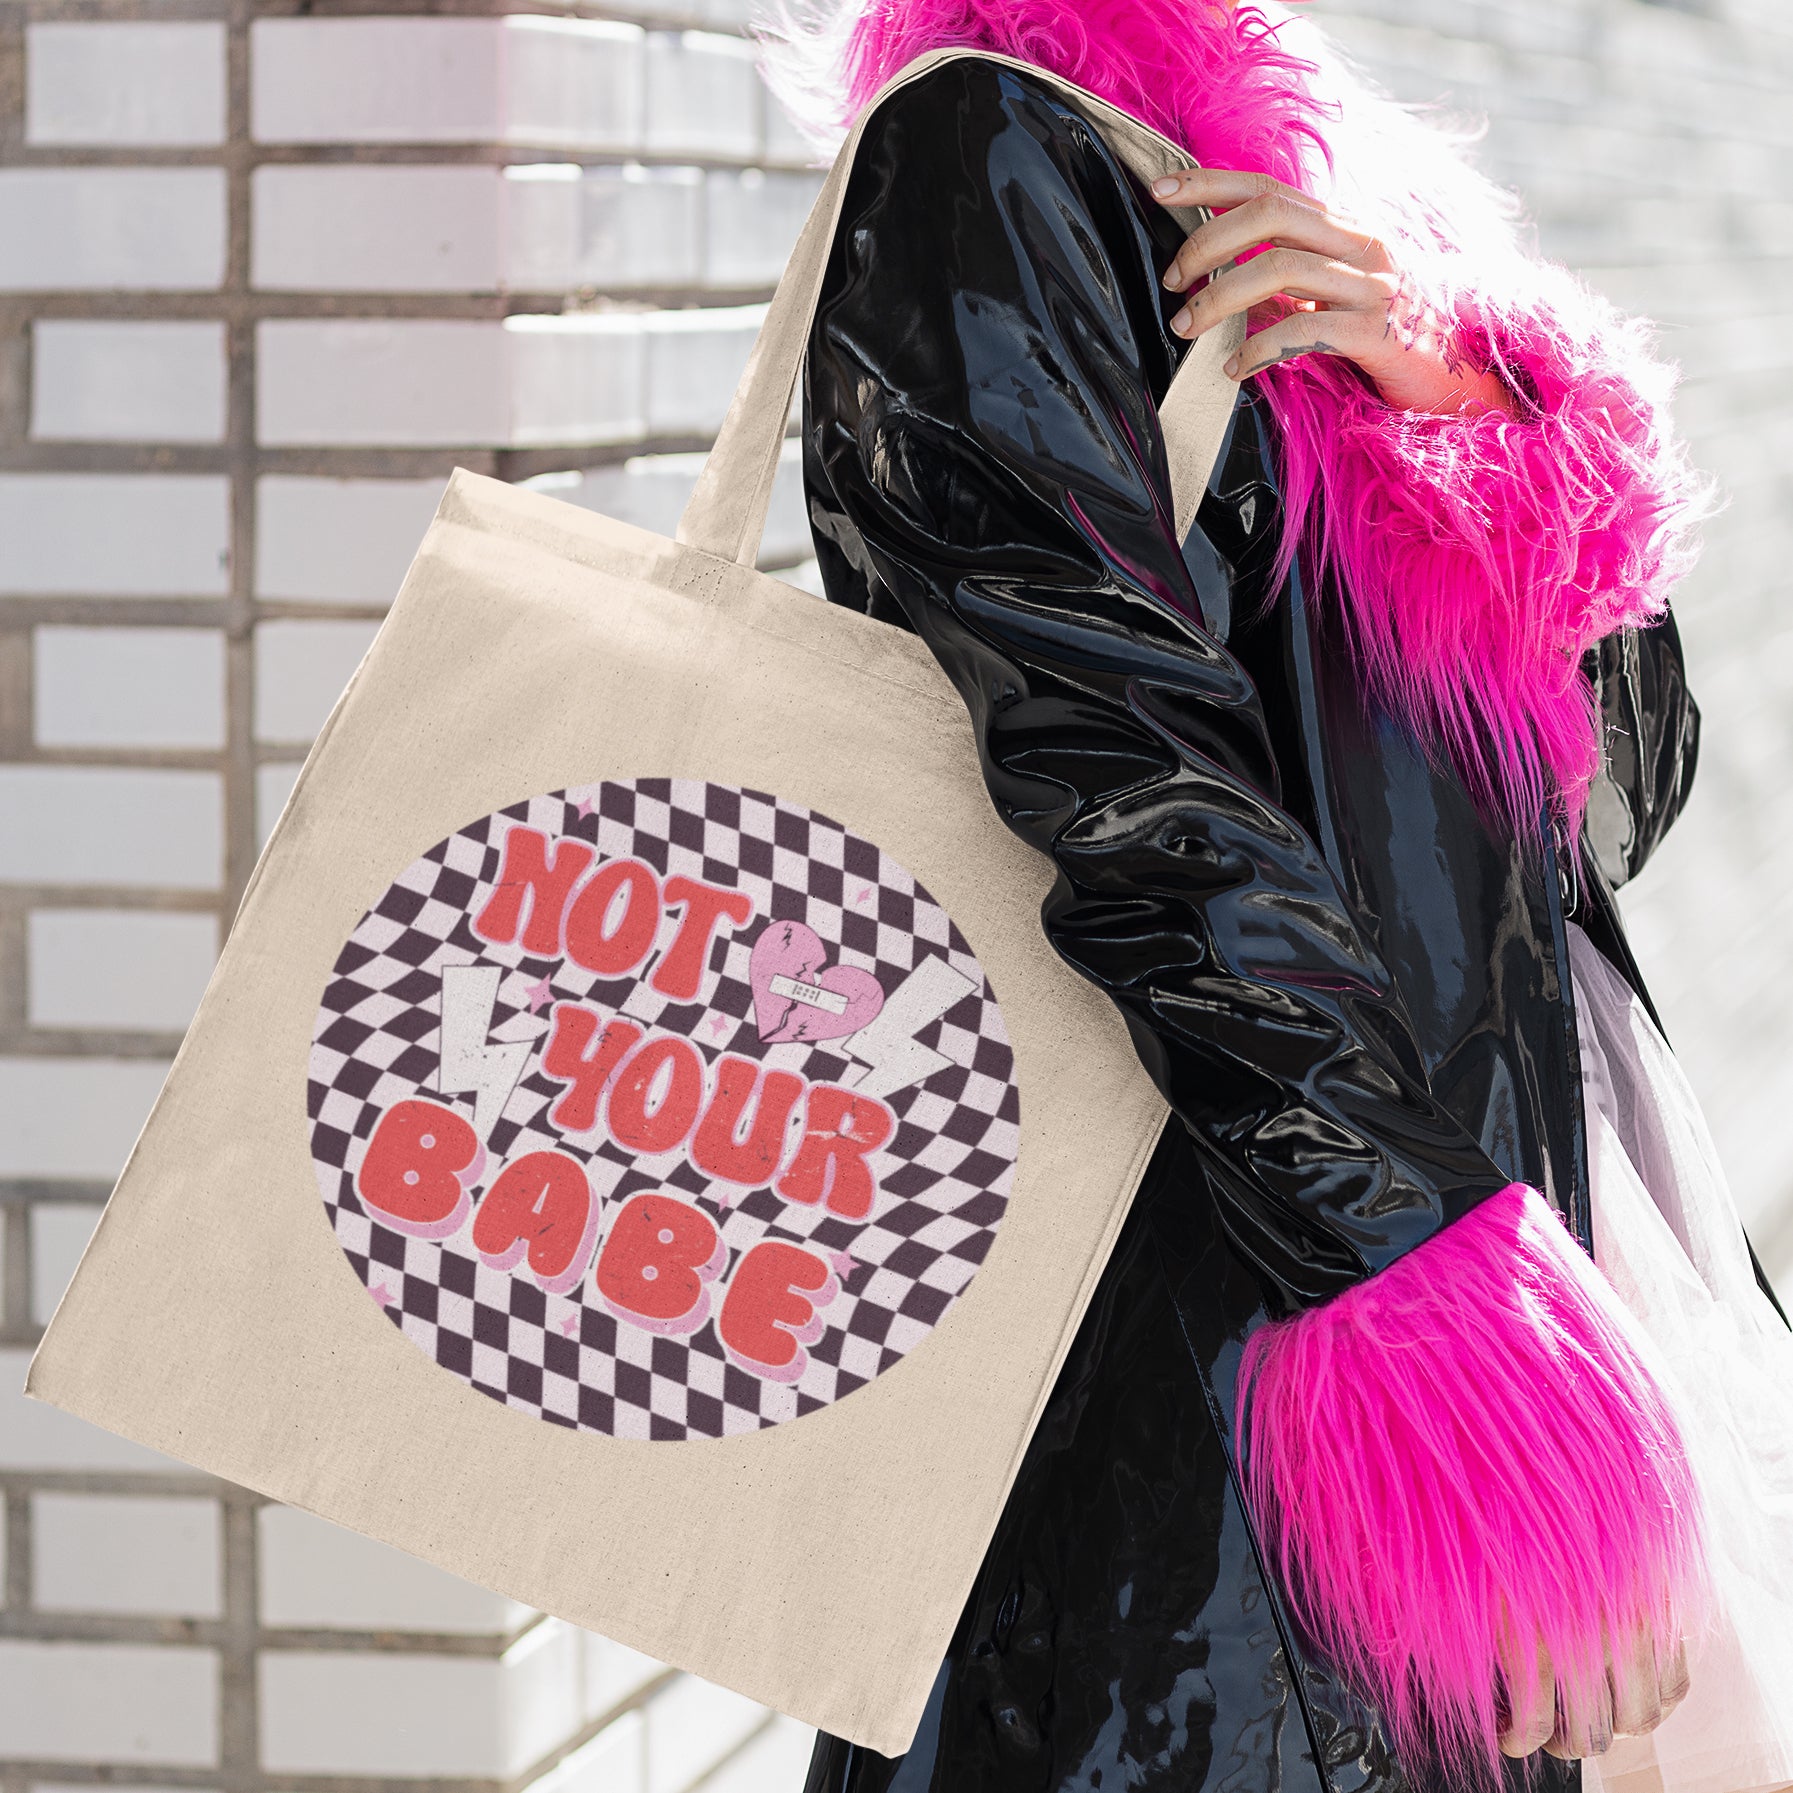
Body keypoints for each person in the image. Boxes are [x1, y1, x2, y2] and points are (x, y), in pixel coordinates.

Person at [753, 0, 1793, 1786]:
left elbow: (1601, 808)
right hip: (1200, 1344)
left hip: (1423, 1253)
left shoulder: (1320, 198)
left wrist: (1486, 418)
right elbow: (1123, 781)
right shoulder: (993, 152)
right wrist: (1425, 1275)